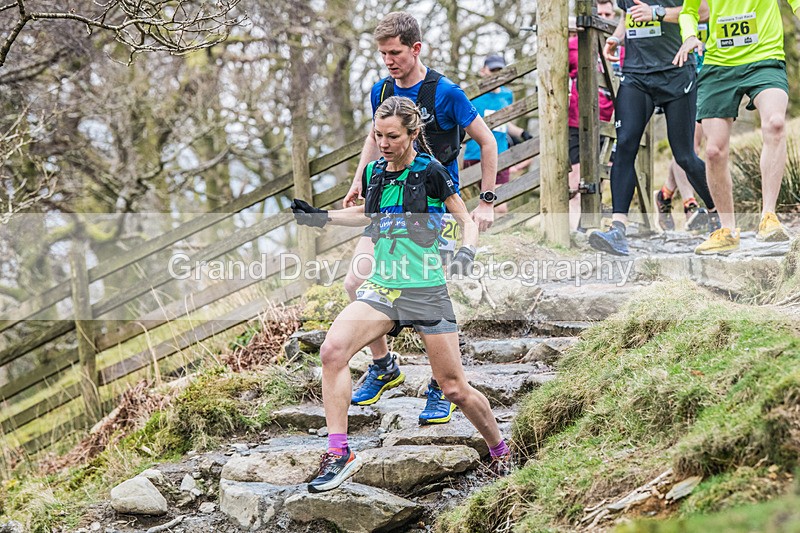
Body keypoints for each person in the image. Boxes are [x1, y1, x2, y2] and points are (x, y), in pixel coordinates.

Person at [291, 96, 511, 493]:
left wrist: (467, 252)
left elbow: (465, 219)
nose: (384, 143)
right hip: (383, 288)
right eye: (378, 135)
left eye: (392, 136)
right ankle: (339, 453)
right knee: (333, 351)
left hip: (425, 290)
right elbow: (369, 214)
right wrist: (322, 217)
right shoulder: (375, 172)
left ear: (412, 134)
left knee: (453, 388)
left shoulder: (432, 172)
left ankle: (501, 452)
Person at [341, 12, 499, 425]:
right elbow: (375, 136)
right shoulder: (382, 90)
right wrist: (359, 179)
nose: (388, 61)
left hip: (433, 207)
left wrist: (486, 201)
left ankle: (440, 385)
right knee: (355, 281)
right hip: (389, 202)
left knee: (429, 299)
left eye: (395, 53)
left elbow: (487, 141)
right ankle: (383, 366)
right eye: (382, 54)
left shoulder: (446, 93)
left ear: (416, 48)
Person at [589, 0, 717, 256]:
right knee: (625, 145)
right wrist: (616, 38)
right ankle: (618, 230)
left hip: (676, 70)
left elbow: (704, 12)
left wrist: (657, 13)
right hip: (636, 75)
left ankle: (717, 214)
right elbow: (627, 16)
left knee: (684, 155)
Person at [674, 0, 797, 254]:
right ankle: (727, 230)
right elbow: (689, 11)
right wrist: (690, 36)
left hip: (764, 57)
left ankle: (769, 217)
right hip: (719, 65)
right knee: (713, 151)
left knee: (775, 124)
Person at [567, 0, 620, 231]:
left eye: (608, 14)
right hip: (577, 121)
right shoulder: (574, 45)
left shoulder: (623, 48)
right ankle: (572, 234)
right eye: (600, 14)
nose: (604, 18)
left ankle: (588, 228)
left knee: (599, 180)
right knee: (576, 180)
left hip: (610, 122)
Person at [462, 54, 533, 216]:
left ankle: (498, 231)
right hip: (474, 154)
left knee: (499, 206)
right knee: (472, 204)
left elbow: (505, 124)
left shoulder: (507, 95)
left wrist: (522, 133)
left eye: (499, 70)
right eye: (493, 70)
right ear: (483, 71)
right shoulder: (472, 95)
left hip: (500, 155)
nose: (496, 74)